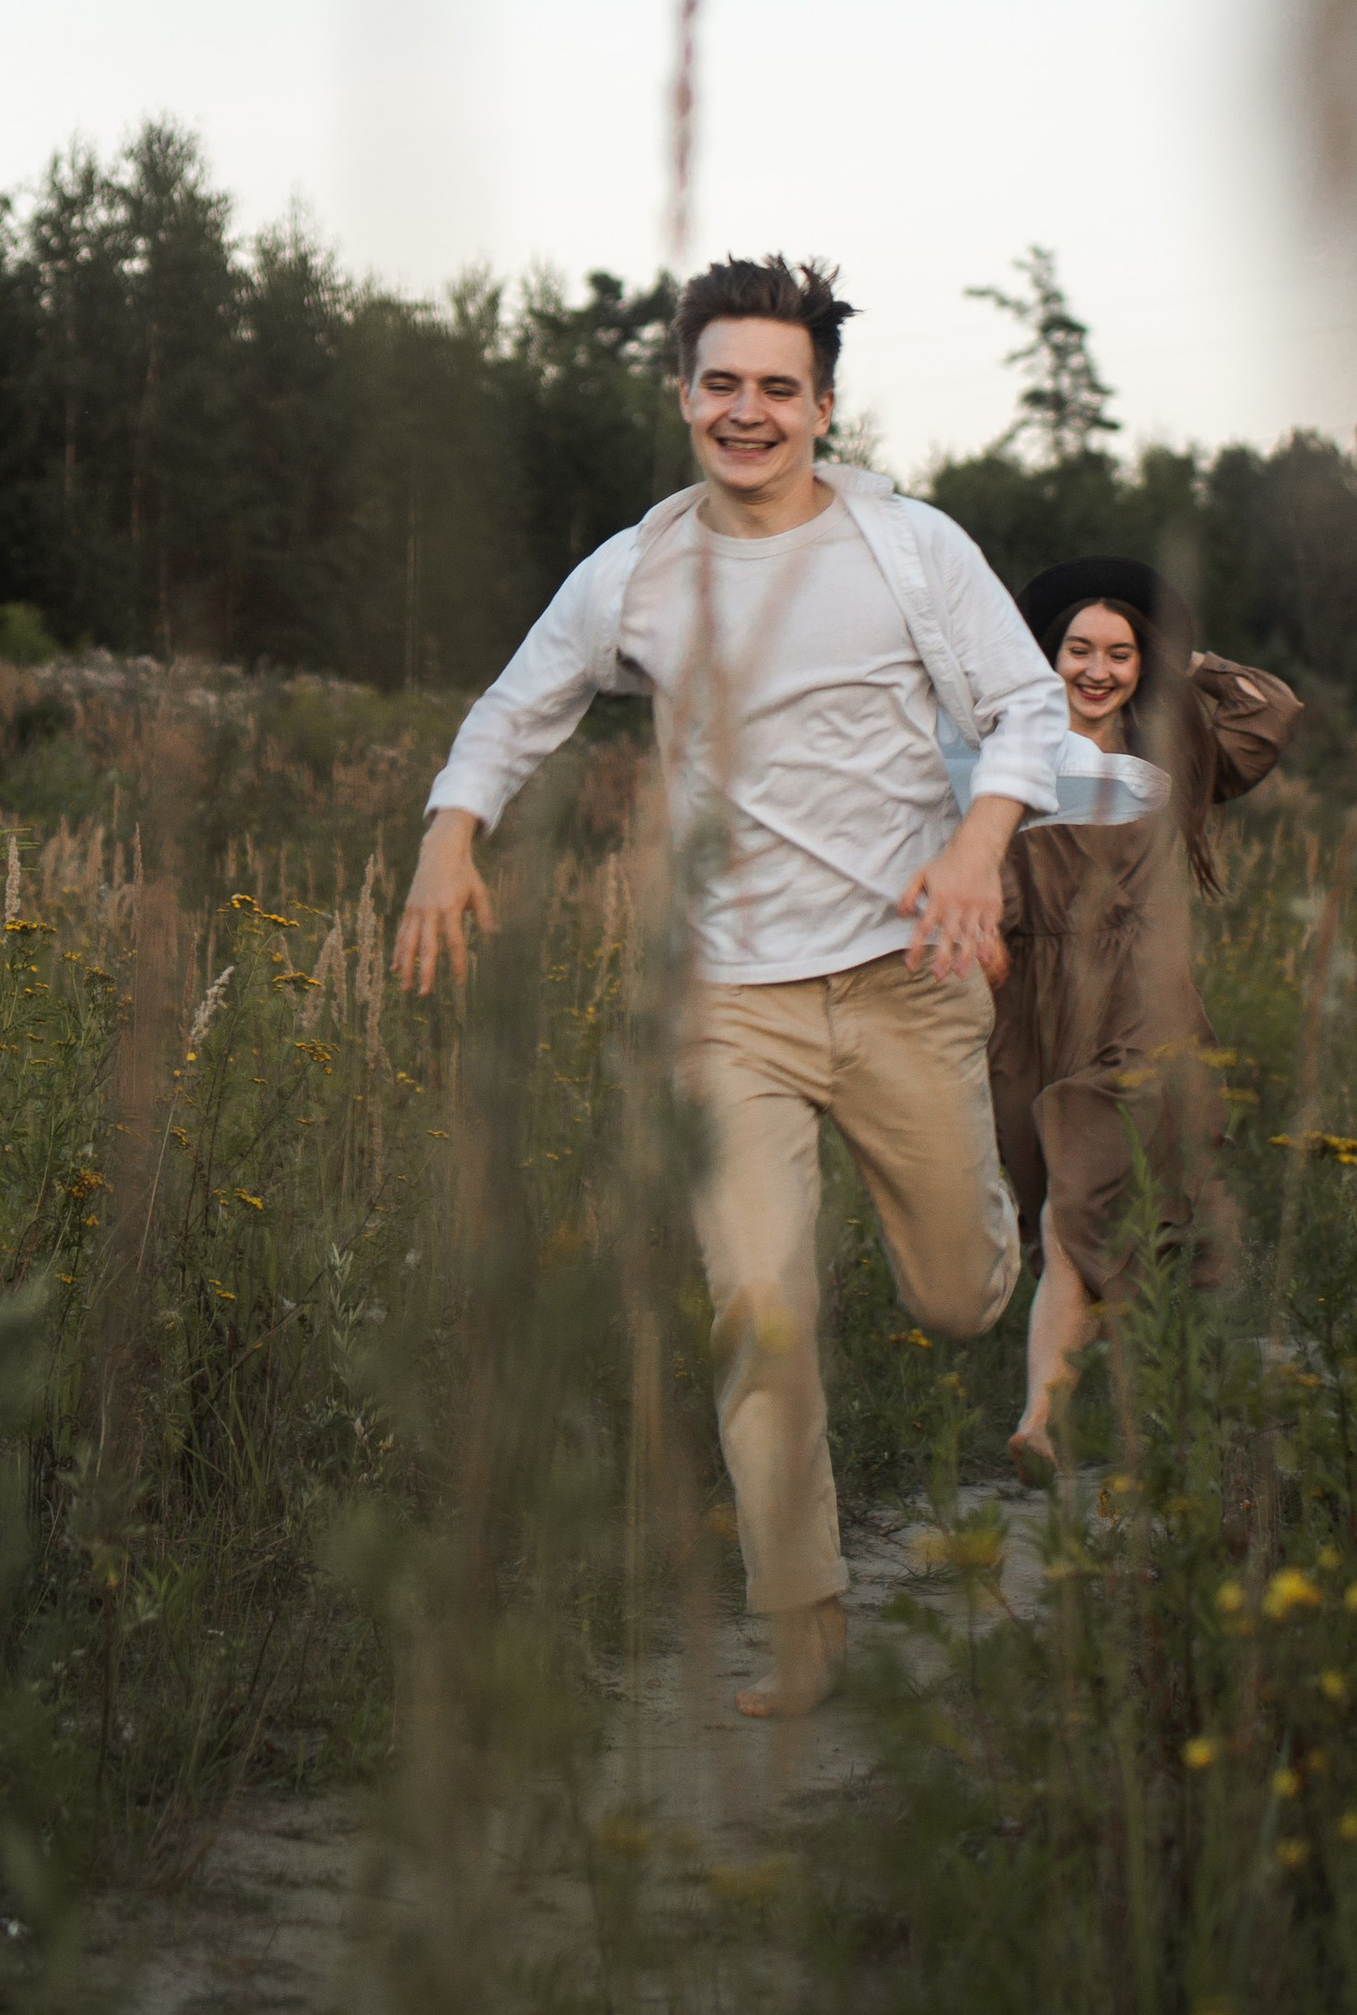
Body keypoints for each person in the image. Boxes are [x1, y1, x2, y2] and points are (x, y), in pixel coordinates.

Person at [394, 254, 1071, 1717]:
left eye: (778, 387)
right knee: (755, 1308)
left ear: (823, 406)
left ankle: (992, 1240)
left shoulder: (911, 550)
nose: (747, 412)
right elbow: (515, 709)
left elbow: (1026, 707)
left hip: (902, 980)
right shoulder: (635, 572)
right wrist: (449, 838)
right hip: (727, 1005)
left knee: (959, 1299)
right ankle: (804, 1622)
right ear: (685, 395)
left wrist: (977, 844)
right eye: (722, 385)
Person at [960, 555, 1300, 1478]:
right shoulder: (1003, 764)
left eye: (1120, 653)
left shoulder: (1170, 760)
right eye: (1079, 649)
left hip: (1142, 1005)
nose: (1097, 670)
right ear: (1049, 656)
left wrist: (1193, 664)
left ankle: (1039, 1422)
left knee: (1081, 1197)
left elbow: (1271, 712)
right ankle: (1126, 1403)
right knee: (1063, 1218)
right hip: (1027, 1009)